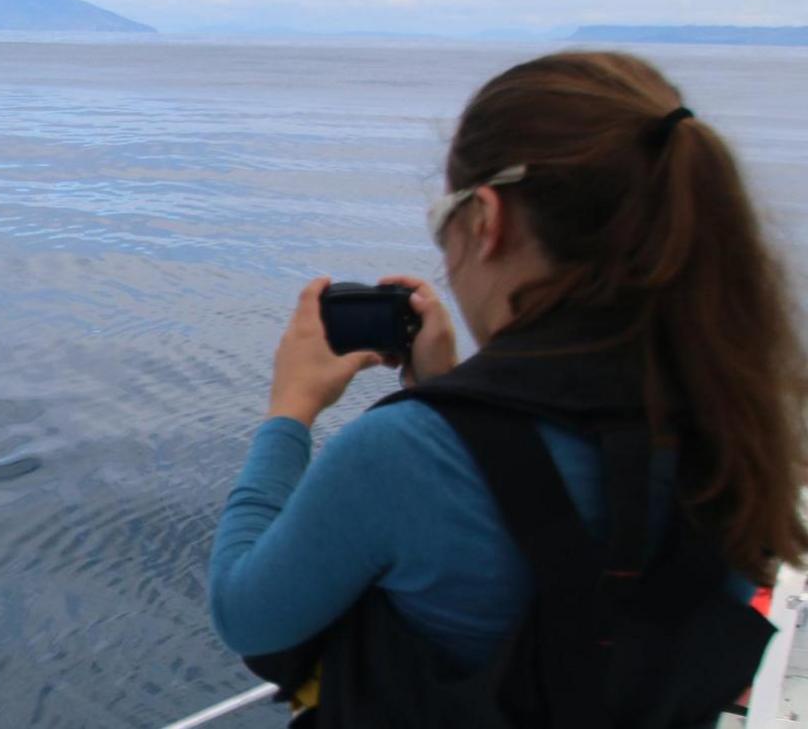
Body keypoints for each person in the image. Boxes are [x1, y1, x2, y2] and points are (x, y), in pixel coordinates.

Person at [208, 51, 808, 726]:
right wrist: (456, 386)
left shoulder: (403, 454)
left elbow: (246, 614)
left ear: (486, 218)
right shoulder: (734, 419)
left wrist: (288, 412)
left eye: (445, 217)